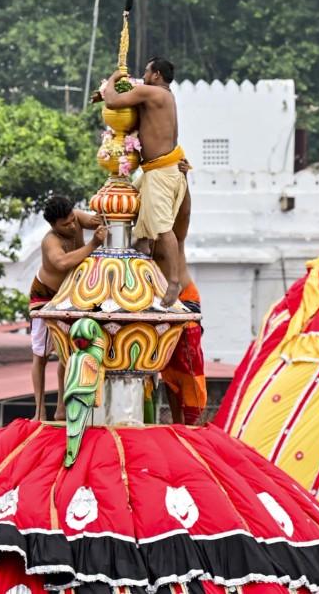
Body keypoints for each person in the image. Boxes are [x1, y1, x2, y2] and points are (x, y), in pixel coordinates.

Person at [99, 56, 205, 425]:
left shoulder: (155, 92)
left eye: (146, 70)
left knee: (163, 233)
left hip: (161, 171)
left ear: (156, 74)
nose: (143, 75)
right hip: (157, 171)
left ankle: (171, 283)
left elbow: (114, 99)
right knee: (141, 233)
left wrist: (114, 79)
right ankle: (146, 273)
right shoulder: (159, 94)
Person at [31, 196, 106, 422]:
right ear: (53, 225)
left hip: (72, 296)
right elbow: (62, 263)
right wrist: (93, 244)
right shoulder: (50, 241)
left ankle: (62, 408)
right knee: (41, 355)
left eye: (73, 220)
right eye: (66, 224)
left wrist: (103, 217)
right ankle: (40, 410)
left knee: (68, 353)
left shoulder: (76, 218)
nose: (72, 226)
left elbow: (96, 220)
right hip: (46, 297)